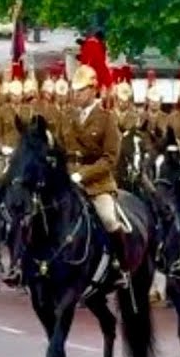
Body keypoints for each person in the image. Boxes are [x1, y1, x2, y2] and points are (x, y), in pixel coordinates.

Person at [63, 62, 129, 285]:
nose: (76, 95)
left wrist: (83, 175)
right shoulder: (67, 115)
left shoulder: (107, 118)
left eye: (81, 90)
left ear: (93, 90)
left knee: (109, 219)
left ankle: (120, 267)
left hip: (97, 183)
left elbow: (110, 158)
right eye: (75, 90)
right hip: (68, 178)